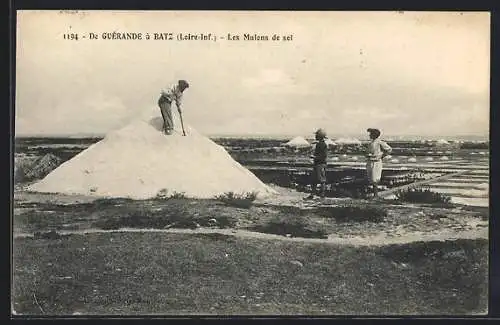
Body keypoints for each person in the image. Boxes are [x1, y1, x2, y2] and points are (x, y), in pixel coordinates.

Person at [365, 128, 392, 198]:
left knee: (375, 178)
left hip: (376, 162)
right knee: (371, 178)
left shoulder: (379, 142)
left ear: (374, 135)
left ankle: (376, 195)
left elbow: (389, 149)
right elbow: (369, 152)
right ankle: (375, 195)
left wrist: (382, 155)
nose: (369, 135)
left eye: (370, 134)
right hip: (370, 161)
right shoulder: (371, 143)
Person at [305, 128, 328, 200]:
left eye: (317, 135)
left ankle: (322, 195)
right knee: (315, 180)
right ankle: (313, 195)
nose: (315, 136)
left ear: (319, 136)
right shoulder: (321, 144)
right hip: (318, 163)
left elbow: (323, 156)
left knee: (321, 180)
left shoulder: (322, 144)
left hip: (320, 164)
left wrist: (314, 157)